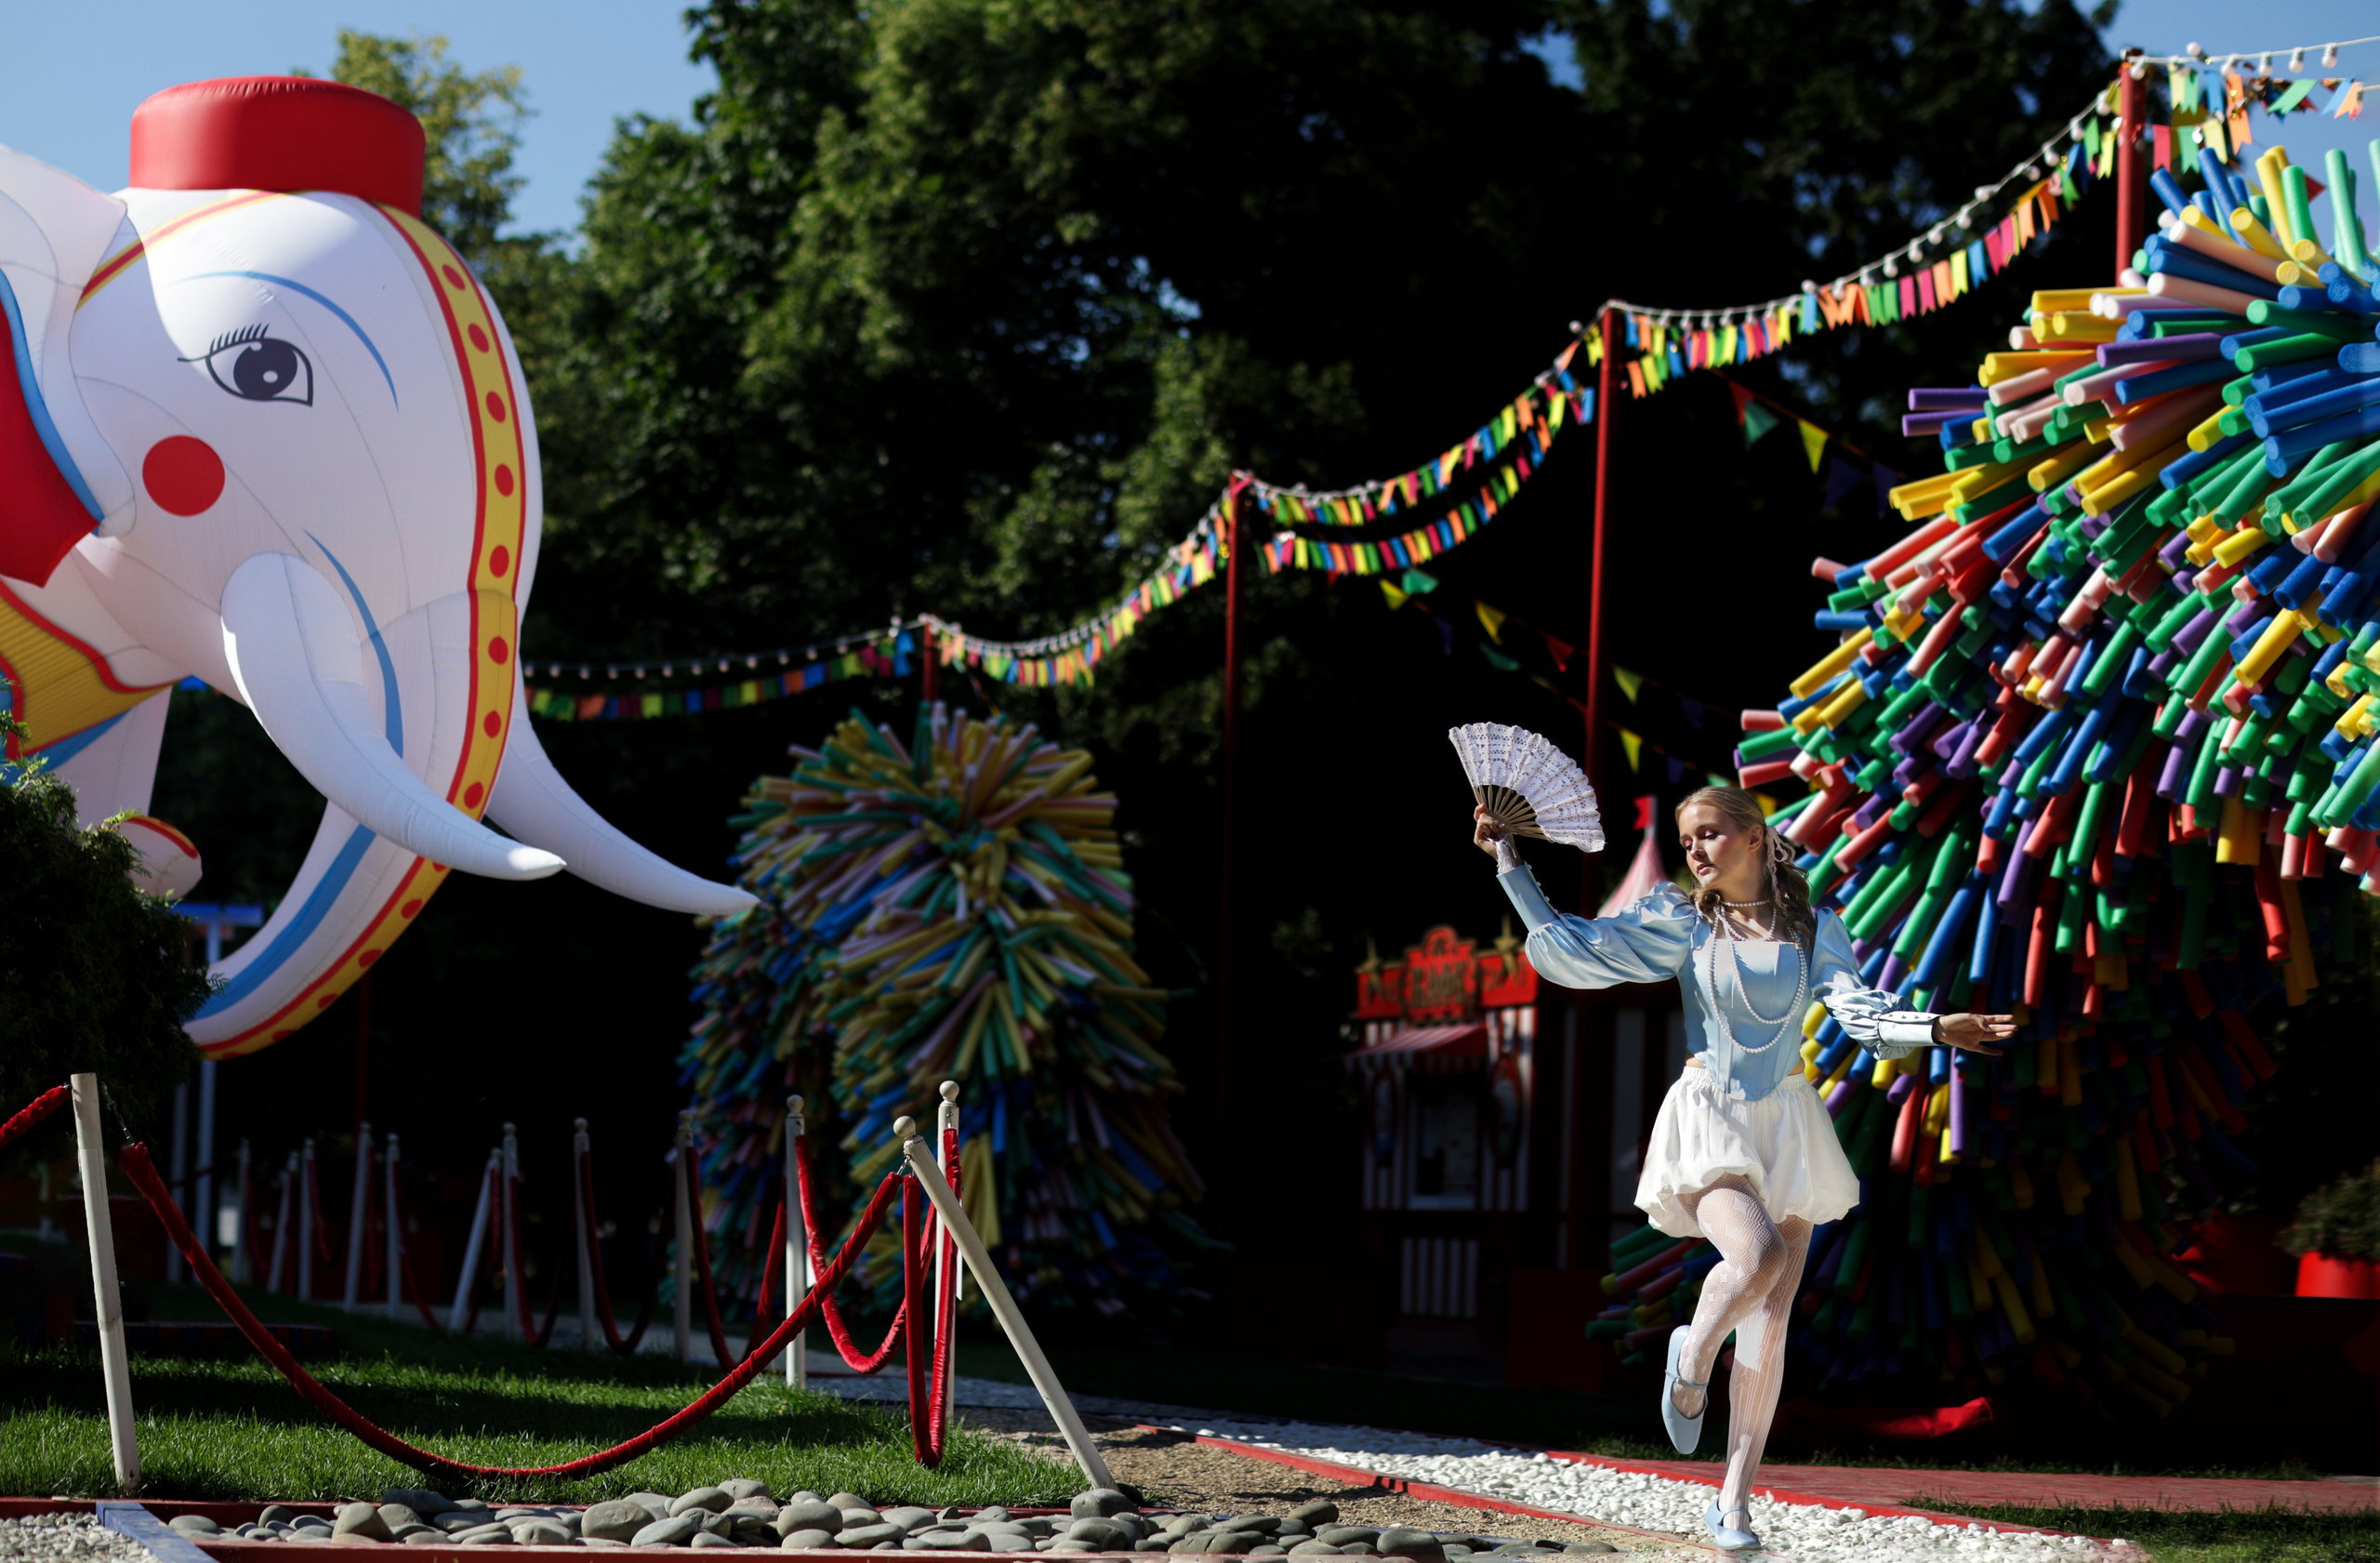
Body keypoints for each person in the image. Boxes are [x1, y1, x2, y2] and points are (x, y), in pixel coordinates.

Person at [1475, 784, 2011, 1552]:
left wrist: (1932, 1027)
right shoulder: (1684, 921)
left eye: (1710, 833)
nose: (1695, 849)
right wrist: (1509, 861)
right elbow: (1579, 946)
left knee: (1770, 1318)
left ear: (1755, 837)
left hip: (1788, 1123)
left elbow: (1856, 1009)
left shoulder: (1814, 927)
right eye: (1687, 838)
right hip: (1711, 1112)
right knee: (1756, 1256)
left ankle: (1734, 1502)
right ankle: (1692, 1355)